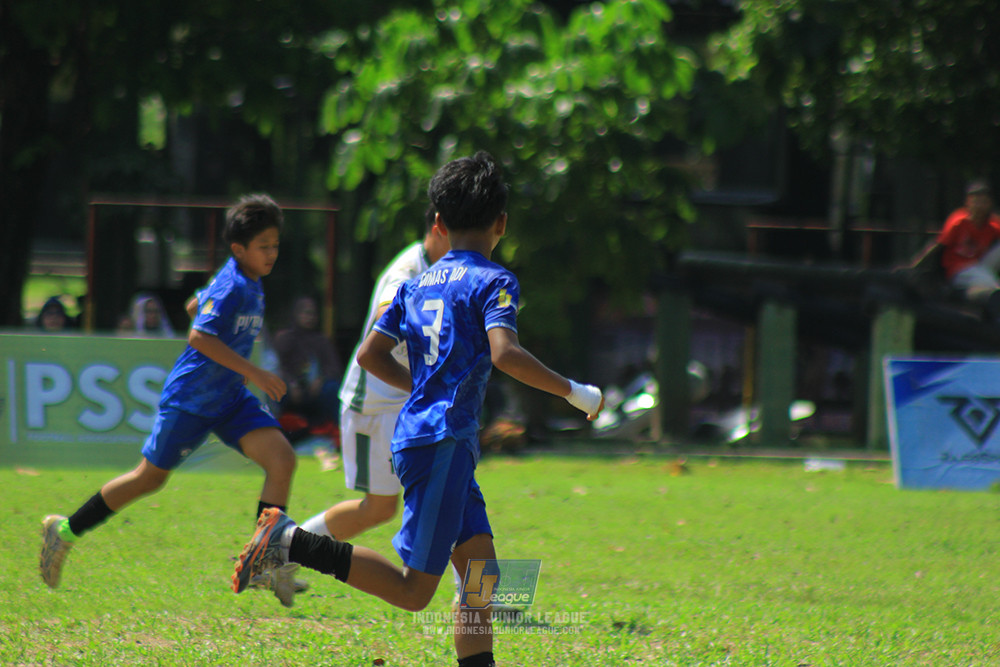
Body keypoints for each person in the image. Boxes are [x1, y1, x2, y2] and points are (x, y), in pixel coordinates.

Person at [232, 152, 604, 667]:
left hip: (426, 437)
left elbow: (368, 354)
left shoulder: (416, 282)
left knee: (480, 575)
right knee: (414, 592)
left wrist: (425, 384)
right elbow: (505, 353)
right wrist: (572, 391)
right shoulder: (494, 281)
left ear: (438, 223)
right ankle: (290, 541)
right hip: (443, 440)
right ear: (501, 224)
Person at [40, 193, 301, 607]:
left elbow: (197, 303)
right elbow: (198, 335)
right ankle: (65, 531)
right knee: (149, 478)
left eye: (275, 245)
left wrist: (202, 301)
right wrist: (255, 372)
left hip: (229, 398)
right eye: (264, 246)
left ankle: (262, 562)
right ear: (239, 250)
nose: (272, 253)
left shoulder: (243, 278)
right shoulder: (235, 284)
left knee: (282, 459)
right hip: (192, 399)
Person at [298, 206, 448, 544]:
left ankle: (475, 595)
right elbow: (385, 316)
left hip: (414, 405)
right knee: (384, 508)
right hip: (379, 407)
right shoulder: (408, 271)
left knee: (440, 495)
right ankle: (281, 547)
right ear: (440, 226)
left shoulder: (456, 270)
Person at [910, 179, 1000, 303]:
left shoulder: (993, 223)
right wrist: (914, 265)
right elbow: (938, 244)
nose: (979, 205)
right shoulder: (958, 221)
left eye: (983, 201)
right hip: (959, 270)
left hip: (979, 265)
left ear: (990, 204)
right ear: (968, 203)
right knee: (992, 285)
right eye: (975, 201)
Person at [272, 295, 343, 430]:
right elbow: (277, 366)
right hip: (291, 388)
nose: (310, 317)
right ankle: (273, 431)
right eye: (306, 313)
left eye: (313, 314)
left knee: (333, 388)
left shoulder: (321, 340)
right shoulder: (284, 338)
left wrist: (320, 380)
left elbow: (334, 367)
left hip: (315, 389)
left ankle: (337, 430)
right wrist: (291, 384)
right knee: (274, 390)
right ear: (296, 314)